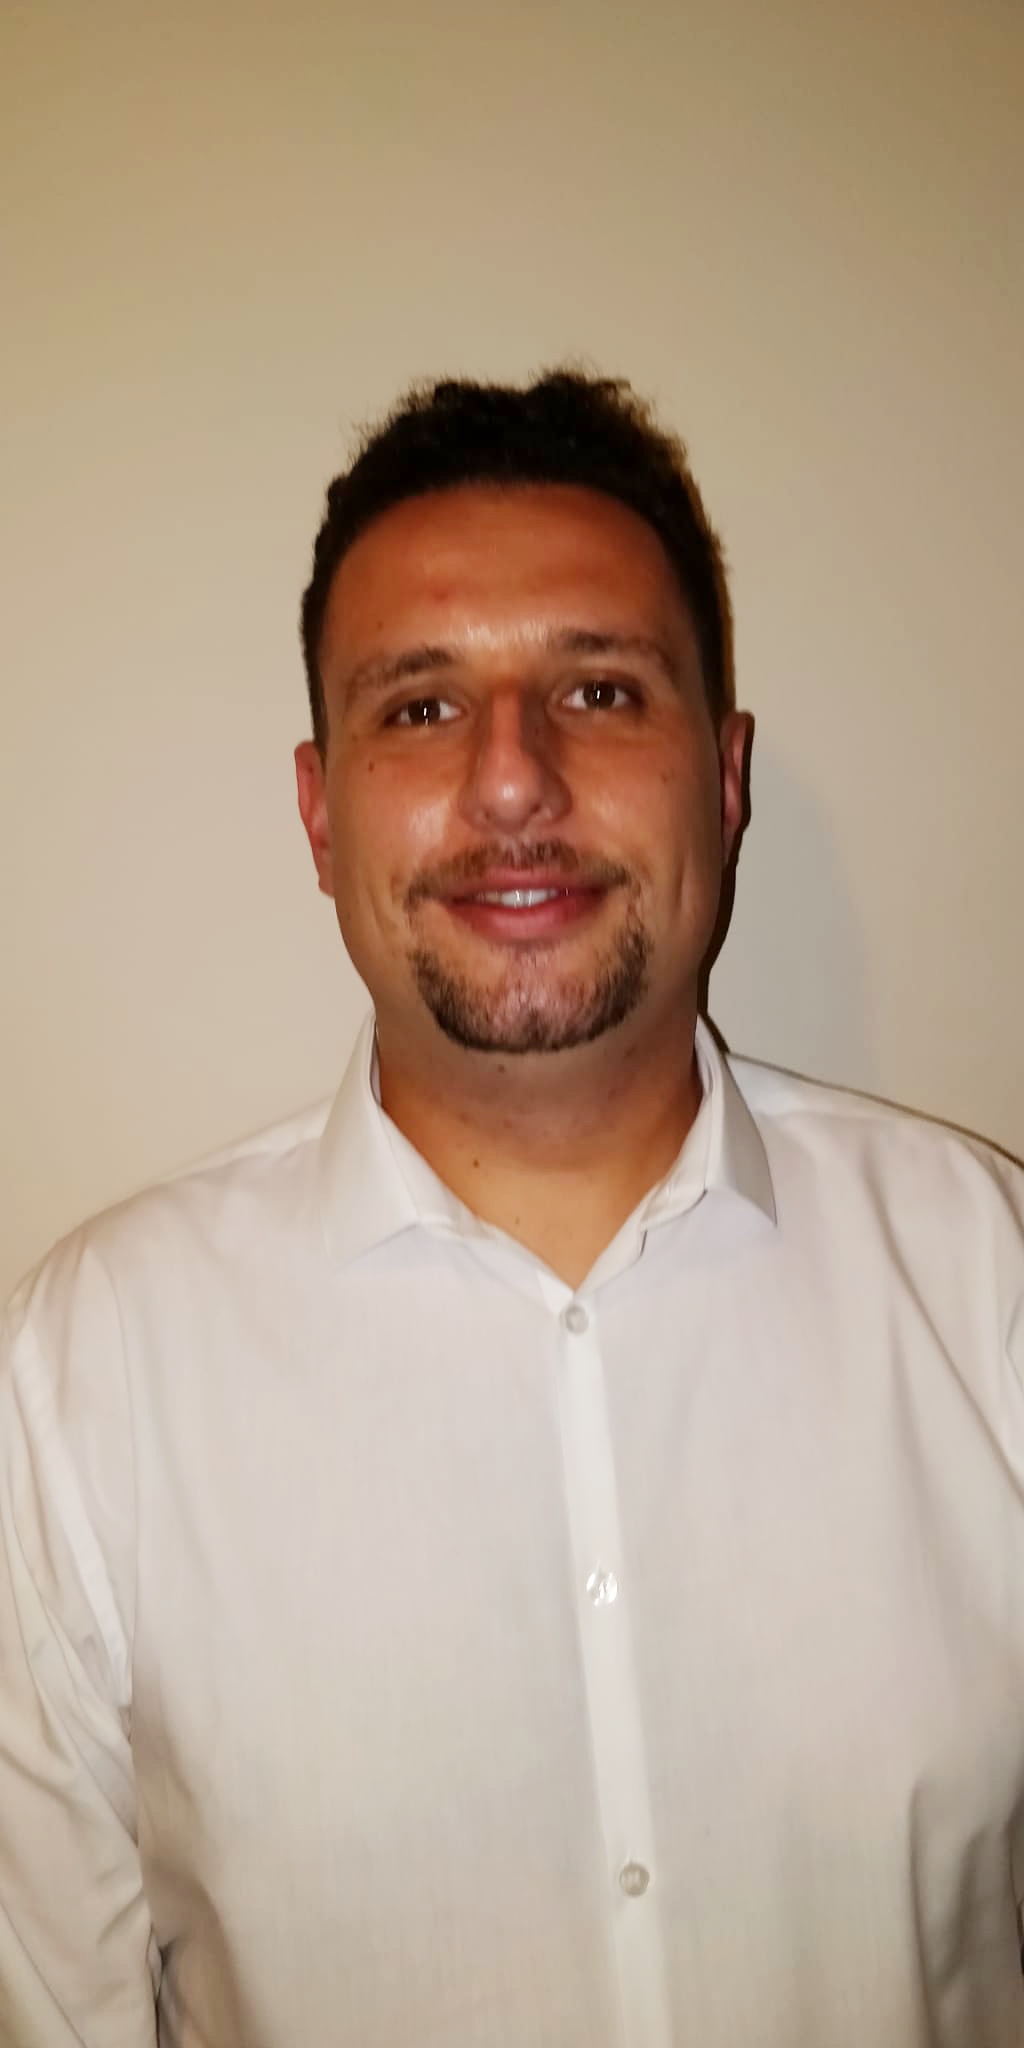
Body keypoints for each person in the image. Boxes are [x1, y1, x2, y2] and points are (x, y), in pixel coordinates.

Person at [1, 371, 1022, 2048]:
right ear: (320, 813)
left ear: (725, 780)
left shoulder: (989, 1282)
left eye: (599, 690)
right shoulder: (84, 1382)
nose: (512, 784)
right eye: (420, 708)